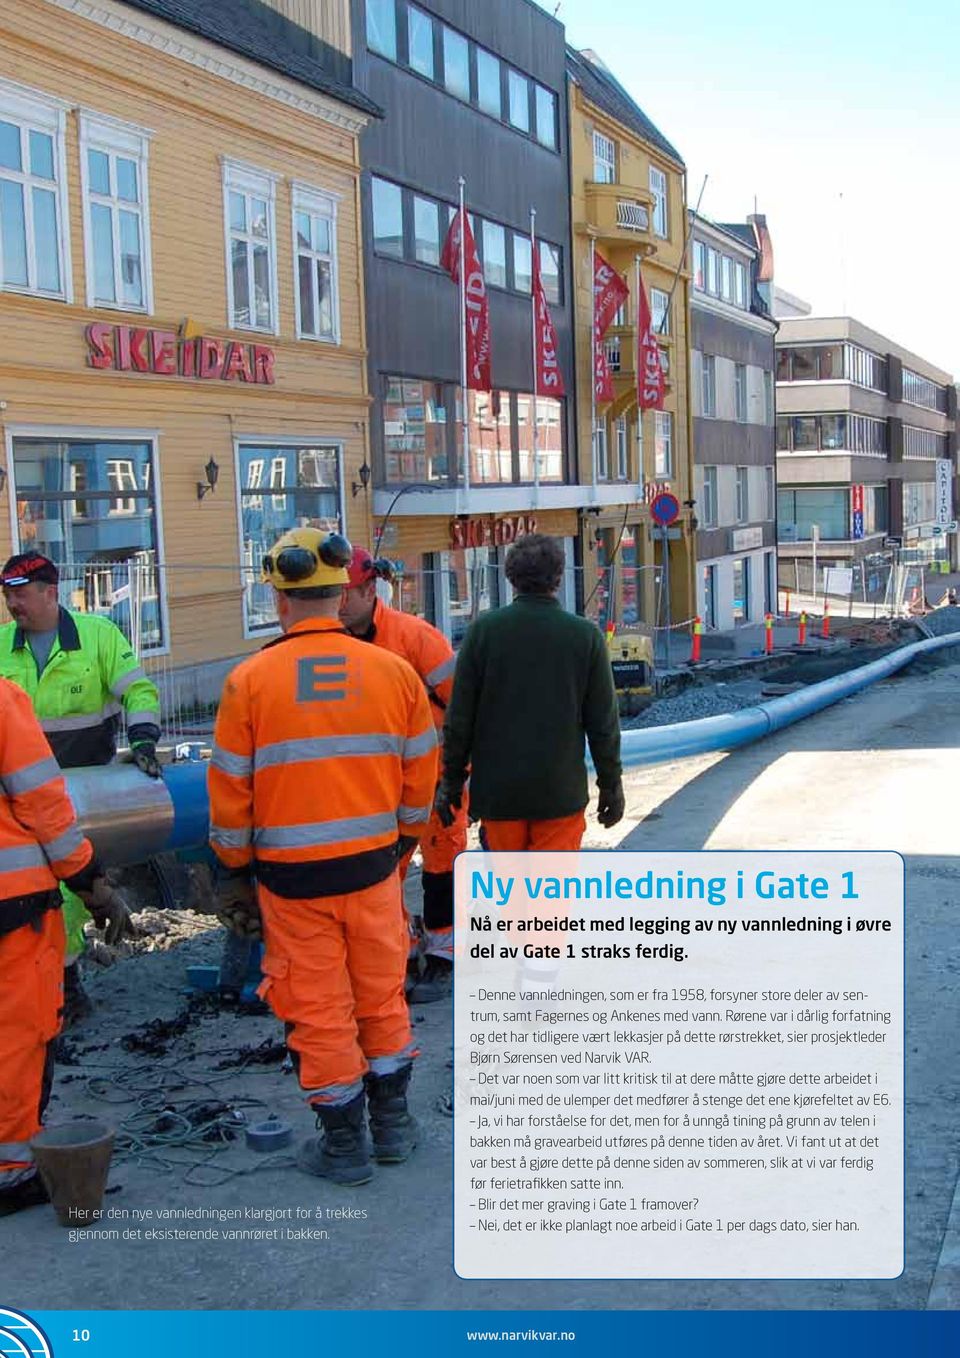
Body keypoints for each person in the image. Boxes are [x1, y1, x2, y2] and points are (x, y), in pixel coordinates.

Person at [208, 528, 438, 1185]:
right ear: (342, 595)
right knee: (380, 996)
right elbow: (421, 780)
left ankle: (344, 1147)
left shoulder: (249, 681)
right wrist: (400, 848)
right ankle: (392, 1127)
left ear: (280, 599)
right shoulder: (394, 672)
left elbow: (230, 797)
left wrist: (233, 873)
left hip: (291, 883)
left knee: (317, 1008)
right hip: (372, 871)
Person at [0, 552, 161, 1025]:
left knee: (64, 893)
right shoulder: (3, 646)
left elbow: (139, 691)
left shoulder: (97, 637)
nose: (12, 605)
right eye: (7, 596)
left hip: (88, 791)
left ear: (51, 593)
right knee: (42, 892)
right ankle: (59, 986)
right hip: (18, 801)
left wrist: (144, 738)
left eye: (20, 595)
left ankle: (65, 987)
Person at [0, 677, 130, 1216]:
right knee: (17, 1035)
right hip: (11, 906)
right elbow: (42, 803)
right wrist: (91, 883)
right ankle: (12, 1170)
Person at [437, 533, 624, 849]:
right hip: (559, 794)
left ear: (511, 578)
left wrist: (451, 781)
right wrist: (611, 784)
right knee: (549, 895)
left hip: (499, 797)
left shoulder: (483, 632)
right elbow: (603, 723)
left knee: (511, 895)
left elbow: (459, 718)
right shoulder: (584, 637)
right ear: (558, 577)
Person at [339, 546, 465, 1002]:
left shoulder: (415, 638)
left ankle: (444, 954)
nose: (335, 603)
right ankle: (404, 950)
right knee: (381, 869)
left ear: (370, 590)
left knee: (441, 857)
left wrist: (457, 772)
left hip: (435, 769)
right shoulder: (334, 645)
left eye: (344, 593)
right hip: (376, 778)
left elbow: (463, 706)